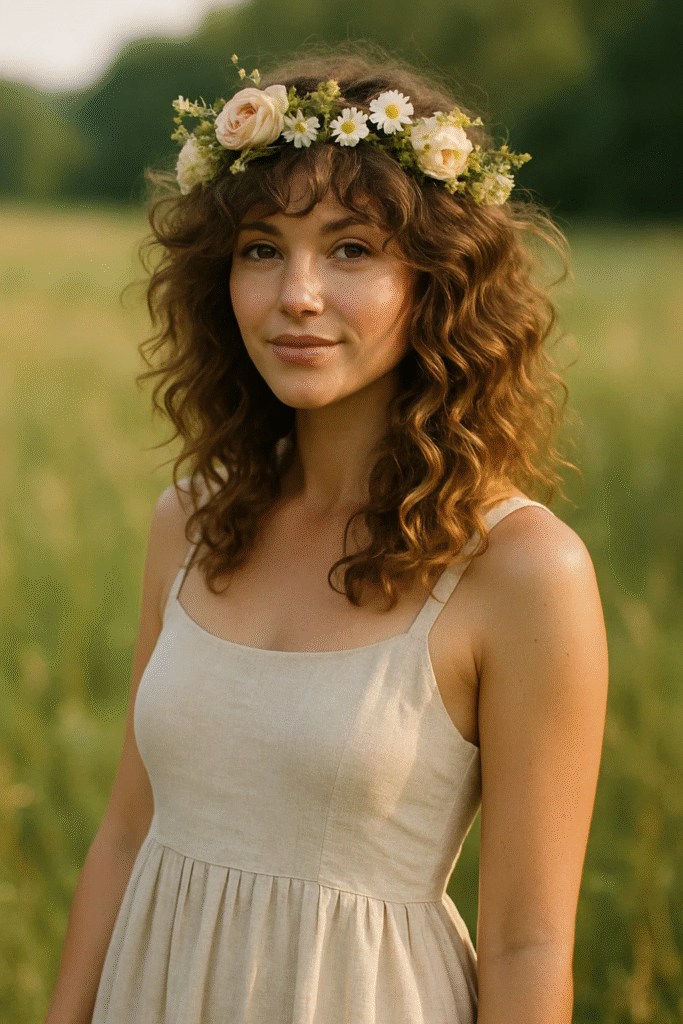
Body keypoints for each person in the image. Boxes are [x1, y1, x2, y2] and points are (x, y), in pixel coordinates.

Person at [44, 44, 609, 1024]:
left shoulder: (521, 569)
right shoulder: (189, 520)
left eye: (350, 249)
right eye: (261, 248)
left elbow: (528, 939)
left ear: (432, 281)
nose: (295, 294)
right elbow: (128, 832)